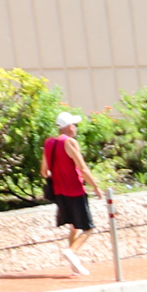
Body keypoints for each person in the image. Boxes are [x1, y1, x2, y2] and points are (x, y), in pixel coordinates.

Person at [42, 112, 102, 275]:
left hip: (59, 191)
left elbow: (44, 170)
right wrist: (95, 187)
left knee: (74, 227)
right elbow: (82, 168)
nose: (75, 128)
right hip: (75, 190)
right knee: (88, 228)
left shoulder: (49, 143)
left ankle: (74, 266)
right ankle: (71, 252)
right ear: (69, 127)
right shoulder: (70, 142)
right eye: (74, 125)